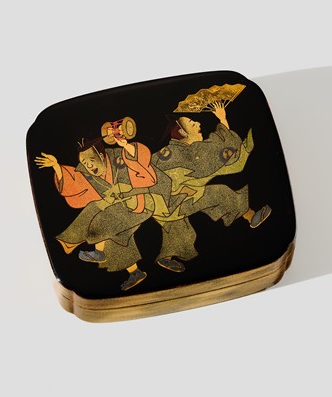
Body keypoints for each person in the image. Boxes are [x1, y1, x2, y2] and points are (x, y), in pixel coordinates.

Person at [151, 103, 271, 272]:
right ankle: (251, 217)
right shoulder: (189, 153)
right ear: (183, 133)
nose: (198, 123)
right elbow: (220, 151)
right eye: (192, 123)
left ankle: (166, 257)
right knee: (220, 193)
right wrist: (222, 119)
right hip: (175, 201)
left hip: (164, 205)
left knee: (176, 225)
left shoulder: (169, 151)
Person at [35, 133, 158, 291]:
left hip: (140, 204)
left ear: (101, 155)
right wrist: (57, 167)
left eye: (91, 160)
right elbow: (74, 183)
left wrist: (126, 145)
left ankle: (84, 246)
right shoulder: (88, 174)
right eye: (84, 163)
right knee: (116, 235)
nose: (88, 166)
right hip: (118, 211)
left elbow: (141, 162)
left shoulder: (118, 158)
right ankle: (135, 273)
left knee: (102, 216)